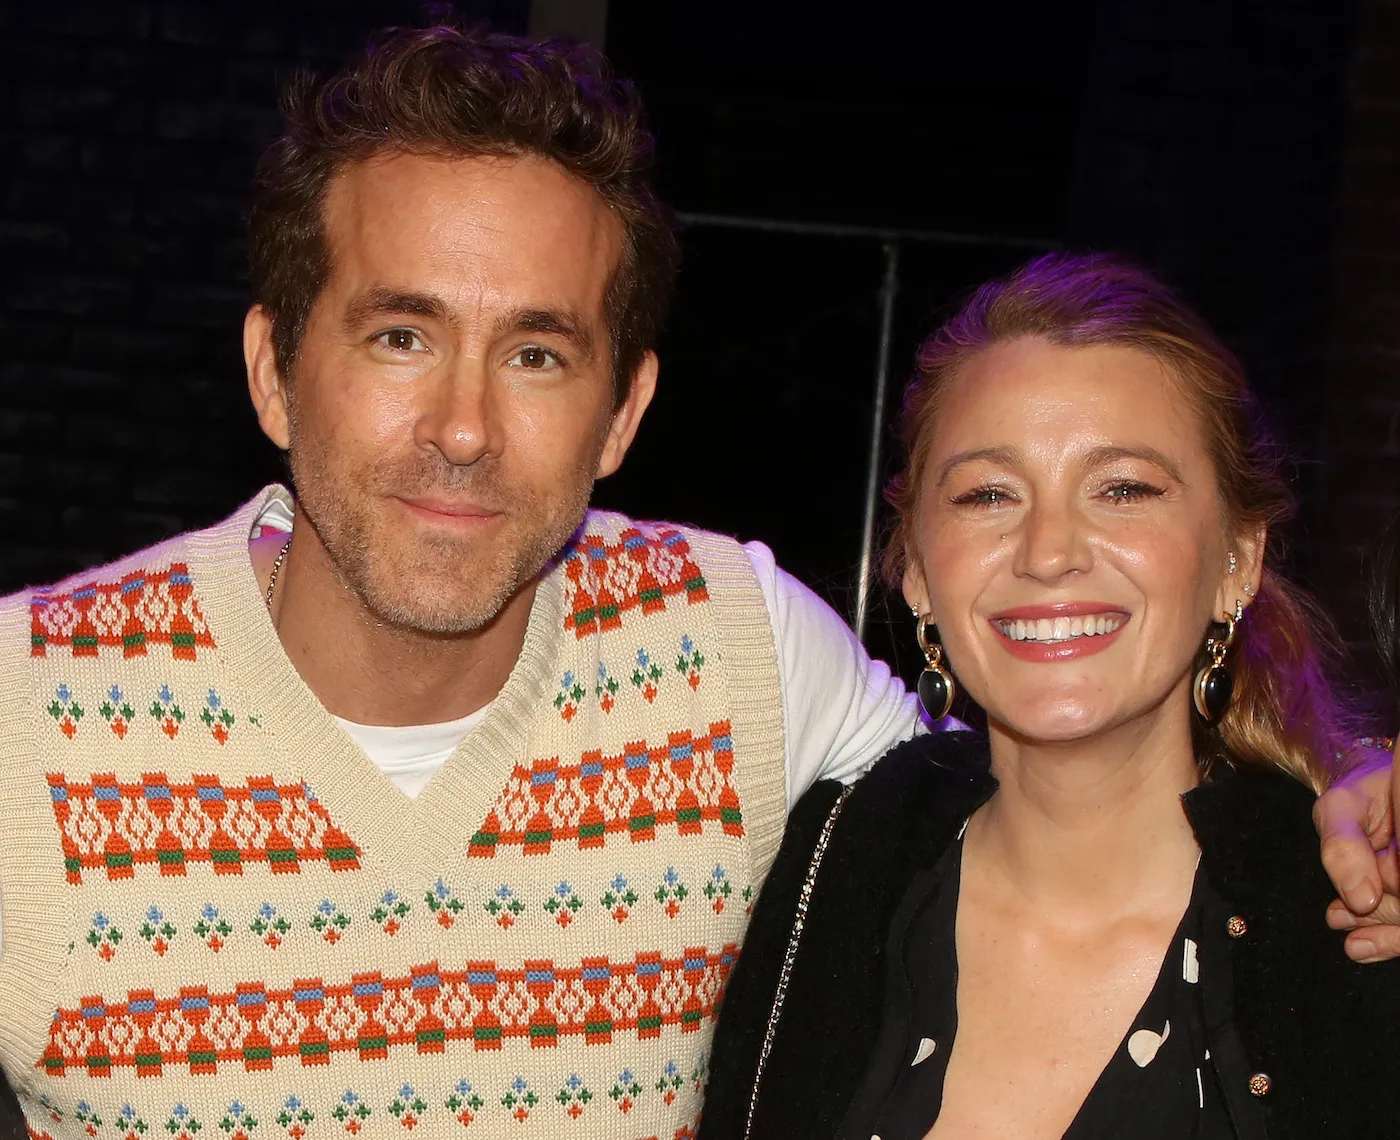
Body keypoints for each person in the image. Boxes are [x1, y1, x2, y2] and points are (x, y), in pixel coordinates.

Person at [0, 22, 1395, 1140]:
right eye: (401, 336)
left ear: (623, 413)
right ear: (270, 373)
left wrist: (1351, 791)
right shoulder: (26, 717)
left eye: (539, 353)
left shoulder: (732, 650)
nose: (467, 427)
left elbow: (1068, 752)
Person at [700, 254, 1400, 1140]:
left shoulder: (1353, 926)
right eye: (989, 494)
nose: (1049, 549)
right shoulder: (826, 874)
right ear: (916, 568)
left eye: (1123, 489)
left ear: (1238, 560)